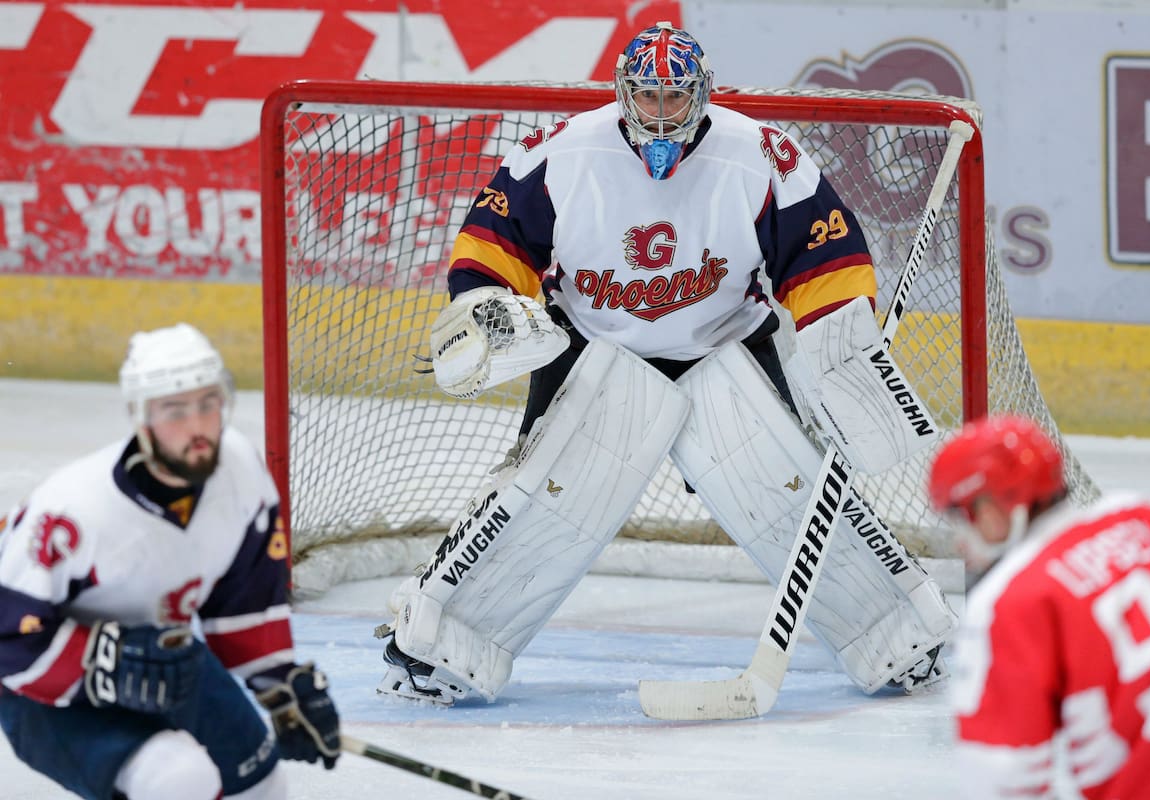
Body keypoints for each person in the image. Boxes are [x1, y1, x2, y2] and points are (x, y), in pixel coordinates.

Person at [378, 21, 955, 706]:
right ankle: (439, 645)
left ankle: (899, 634)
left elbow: (823, 256)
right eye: (646, 97)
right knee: (539, 501)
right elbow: (493, 240)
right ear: (622, 93)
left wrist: (840, 342)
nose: (658, 113)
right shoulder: (564, 152)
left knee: (794, 495)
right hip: (593, 348)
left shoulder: (759, 154)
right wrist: (486, 306)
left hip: (728, 344)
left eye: (674, 98)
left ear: (700, 94)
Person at [0, 323, 340, 800]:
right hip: (45, 694)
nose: (198, 426)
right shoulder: (72, 514)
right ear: (141, 419)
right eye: (174, 412)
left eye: (208, 403)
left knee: (261, 782)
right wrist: (105, 661)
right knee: (178, 778)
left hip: (172, 665)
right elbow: (9, 637)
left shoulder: (241, 473)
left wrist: (282, 689)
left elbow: (242, 607)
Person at [928, 414, 1150, 799]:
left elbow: (1003, 782)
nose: (960, 541)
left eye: (960, 518)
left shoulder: (1011, 600)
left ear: (992, 510)